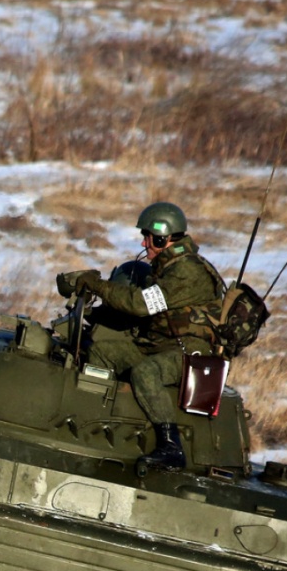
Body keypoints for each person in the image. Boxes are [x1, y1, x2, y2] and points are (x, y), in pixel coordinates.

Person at [56, 201, 225, 470]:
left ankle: (171, 447)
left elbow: (140, 304)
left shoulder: (188, 271)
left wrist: (98, 286)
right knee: (102, 351)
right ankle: (95, 424)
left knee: (146, 373)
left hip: (188, 354)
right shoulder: (168, 267)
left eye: (150, 238)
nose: (145, 244)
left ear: (164, 238)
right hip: (157, 346)